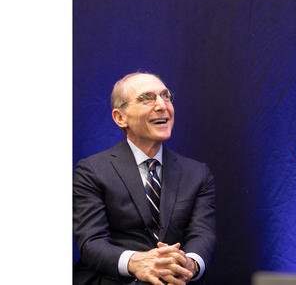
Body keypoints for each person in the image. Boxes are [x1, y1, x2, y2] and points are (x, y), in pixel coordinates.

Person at [73, 72, 216, 285]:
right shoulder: (91, 170)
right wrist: (135, 262)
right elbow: (91, 243)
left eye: (166, 96)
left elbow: (202, 234)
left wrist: (190, 264)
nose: (162, 105)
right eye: (146, 98)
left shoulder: (197, 173)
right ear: (120, 117)